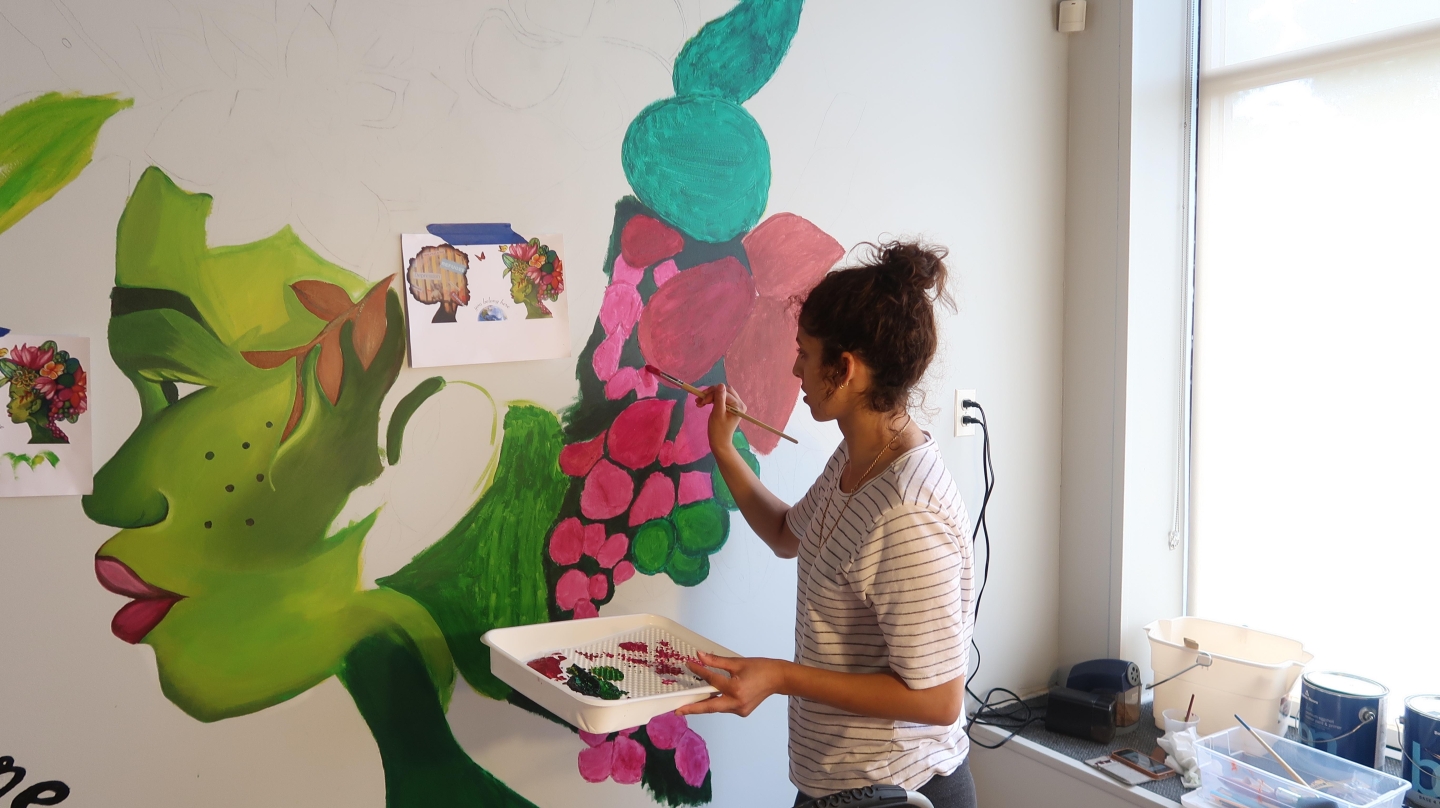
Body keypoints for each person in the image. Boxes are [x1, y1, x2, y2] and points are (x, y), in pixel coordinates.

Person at [679, 241, 979, 808]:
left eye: (805, 353)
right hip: (836, 785)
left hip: (897, 790)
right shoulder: (855, 458)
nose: (795, 368)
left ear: (845, 369)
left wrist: (780, 677)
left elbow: (940, 700)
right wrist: (725, 447)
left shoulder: (909, 513)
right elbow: (787, 534)